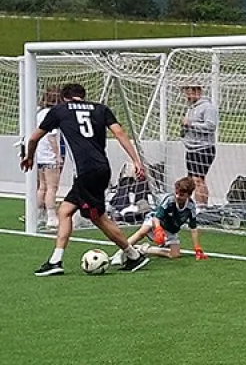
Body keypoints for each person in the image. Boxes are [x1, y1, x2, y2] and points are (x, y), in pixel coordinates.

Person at [20, 82, 150, 275]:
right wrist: (136, 161)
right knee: (64, 211)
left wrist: (29, 156)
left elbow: (33, 138)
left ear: (65, 97)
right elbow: (120, 132)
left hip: (86, 171)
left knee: (97, 218)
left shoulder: (59, 110)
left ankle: (133, 255)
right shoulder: (101, 109)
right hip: (101, 168)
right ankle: (56, 260)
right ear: (83, 95)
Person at [126, 176, 207, 260]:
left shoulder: (191, 207)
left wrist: (197, 248)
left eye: (182, 195)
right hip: (156, 222)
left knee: (175, 255)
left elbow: (193, 228)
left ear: (189, 195)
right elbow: (156, 218)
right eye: (176, 193)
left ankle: (145, 249)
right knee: (142, 231)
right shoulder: (169, 200)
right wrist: (158, 230)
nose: (178, 196)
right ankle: (123, 249)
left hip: (170, 230)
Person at [179, 83, 219, 204]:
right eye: (185, 91)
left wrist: (191, 124)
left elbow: (211, 126)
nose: (187, 95)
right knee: (191, 180)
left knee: (198, 180)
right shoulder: (191, 108)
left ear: (197, 91)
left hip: (203, 149)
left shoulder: (208, 107)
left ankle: (202, 207)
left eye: (188, 91)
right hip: (191, 149)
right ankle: (193, 207)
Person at [30, 86, 63, 233]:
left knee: (42, 186)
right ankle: (51, 216)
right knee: (51, 187)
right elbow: (51, 136)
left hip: (39, 154)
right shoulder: (51, 114)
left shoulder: (38, 111)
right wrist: (58, 155)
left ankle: (39, 215)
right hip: (48, 155)